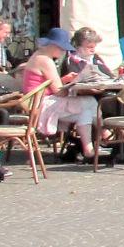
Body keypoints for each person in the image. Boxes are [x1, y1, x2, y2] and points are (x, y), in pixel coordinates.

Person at [21, 33, 99, 163]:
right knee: (90, 102)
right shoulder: (45, 61)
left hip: (39, 102)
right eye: (62, 48)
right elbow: (58, 92)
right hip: (41, 104)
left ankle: (89, 150)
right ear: (53, 46)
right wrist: (71, 85)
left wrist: (65, 80)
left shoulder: (38, 56)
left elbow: (46, 84)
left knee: (85, 111)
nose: (63, 51)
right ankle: (106, 136)